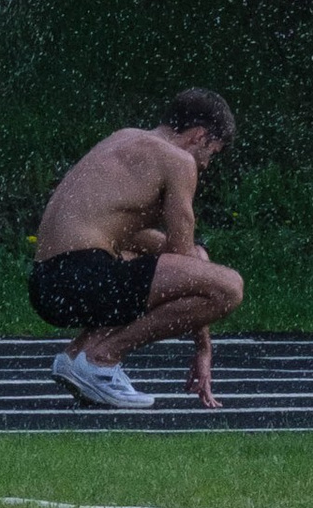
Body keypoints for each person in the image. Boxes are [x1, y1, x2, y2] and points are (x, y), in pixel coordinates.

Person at [29, 91, 244, 412]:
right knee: (228, 288)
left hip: (47, 285)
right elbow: (184, 261)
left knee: (168, 262)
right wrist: (203, 349)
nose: (206, 164)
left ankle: (76, 355)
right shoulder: (179, 161)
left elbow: (129, 236)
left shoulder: (124, 139)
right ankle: (102, 359)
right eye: (212, 153)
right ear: (200, 135)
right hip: (80, 277)